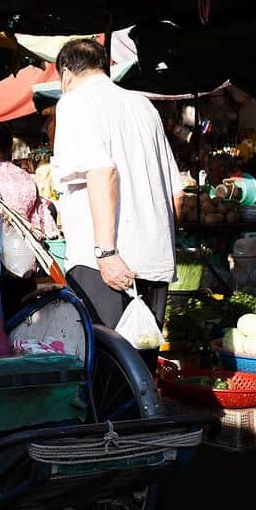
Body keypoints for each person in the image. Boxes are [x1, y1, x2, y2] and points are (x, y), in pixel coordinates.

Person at [51, 38, 183, 359]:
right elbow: (176, 192)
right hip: (153, 259)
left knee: (104, 371)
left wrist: (106, 252)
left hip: (104, 263)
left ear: (66, 73)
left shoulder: (74, 102)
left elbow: (102, 172)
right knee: (140, 373)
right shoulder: (143, 105)